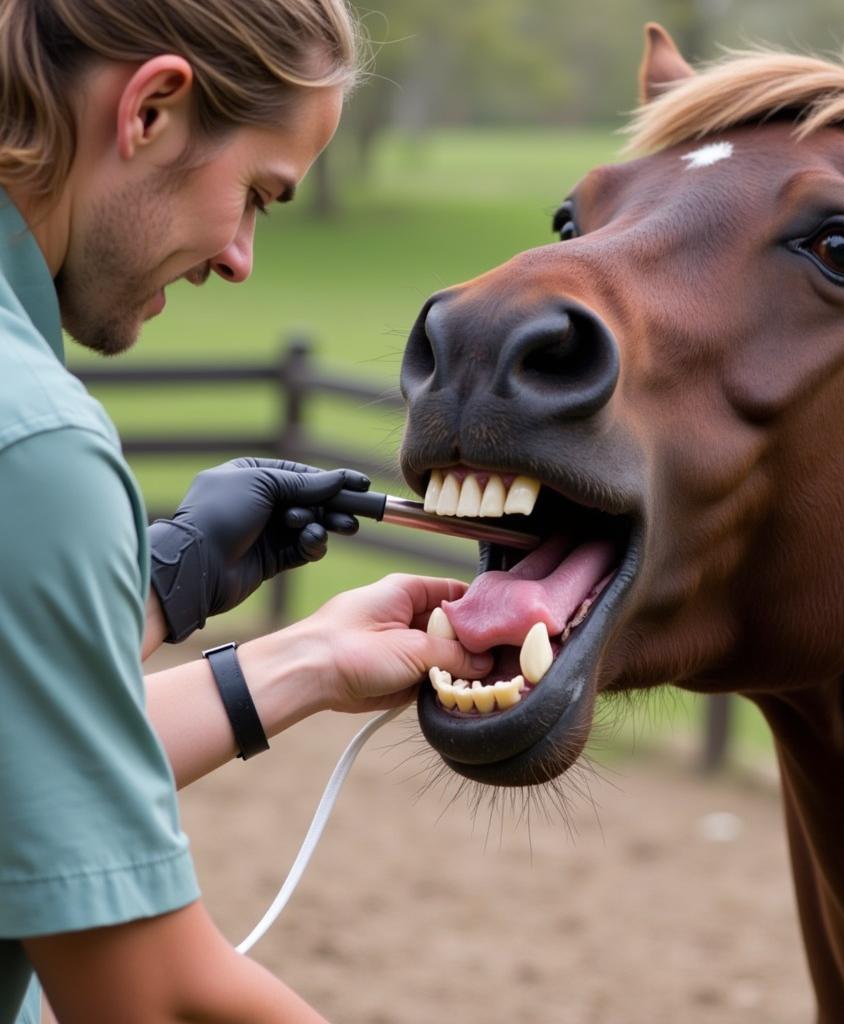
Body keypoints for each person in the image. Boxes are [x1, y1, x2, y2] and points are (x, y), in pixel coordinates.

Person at [0, 1, 492, 1021]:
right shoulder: (37, 448)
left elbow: (27, 777)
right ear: (153, 112)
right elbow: (151, 997)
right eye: (258, 196)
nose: (240, 259)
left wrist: (254, 629)